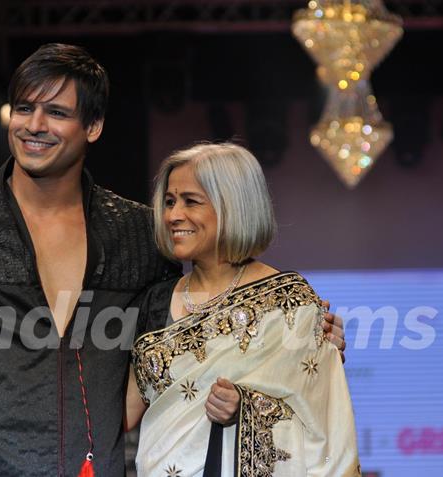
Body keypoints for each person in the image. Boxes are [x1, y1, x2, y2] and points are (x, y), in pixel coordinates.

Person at [0, 44, 346, 476]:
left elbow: (193, 333)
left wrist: (304, 341)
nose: (34, 125)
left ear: (92, 127)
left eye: (56, 112)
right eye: (25, 108)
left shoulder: (141, 232)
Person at [127, 143, 360, 476]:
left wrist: (246, 408)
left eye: (190, 201)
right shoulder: (154, 301)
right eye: (169, 202)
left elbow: (322, 424)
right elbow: (123, 414)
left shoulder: (288, 302)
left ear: (233, 206)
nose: (172, 215)